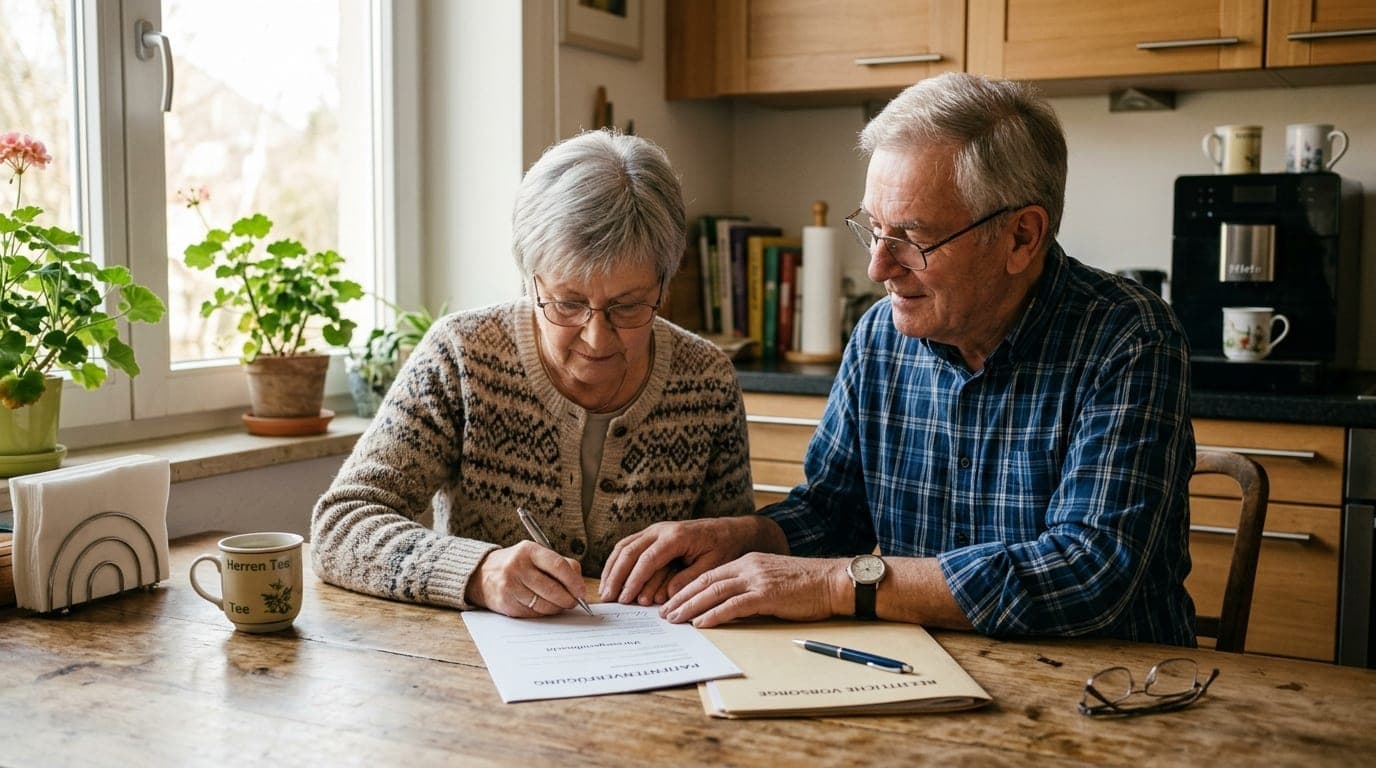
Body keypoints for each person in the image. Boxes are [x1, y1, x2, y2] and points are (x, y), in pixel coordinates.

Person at [600, 72, 1197, 647]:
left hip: (1113, 687)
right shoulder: (880, 336)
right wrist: (746, 536)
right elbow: (834, 513)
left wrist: (836, 583)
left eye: (911, 238)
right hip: (923, 669)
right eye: (873, 228)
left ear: (1021, 237)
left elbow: (1086, 572)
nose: (877, 268)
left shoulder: (1128, 337)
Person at [312, 130, 754, 617]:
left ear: (664, 284)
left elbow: (735, 554)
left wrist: (699, 565)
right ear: (529, 279)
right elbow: (341, 525)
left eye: (629, 307)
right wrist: (477, 571)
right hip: (472, 671)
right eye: (568, 303)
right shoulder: (462, 356)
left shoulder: (706, 381)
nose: (597, 339)